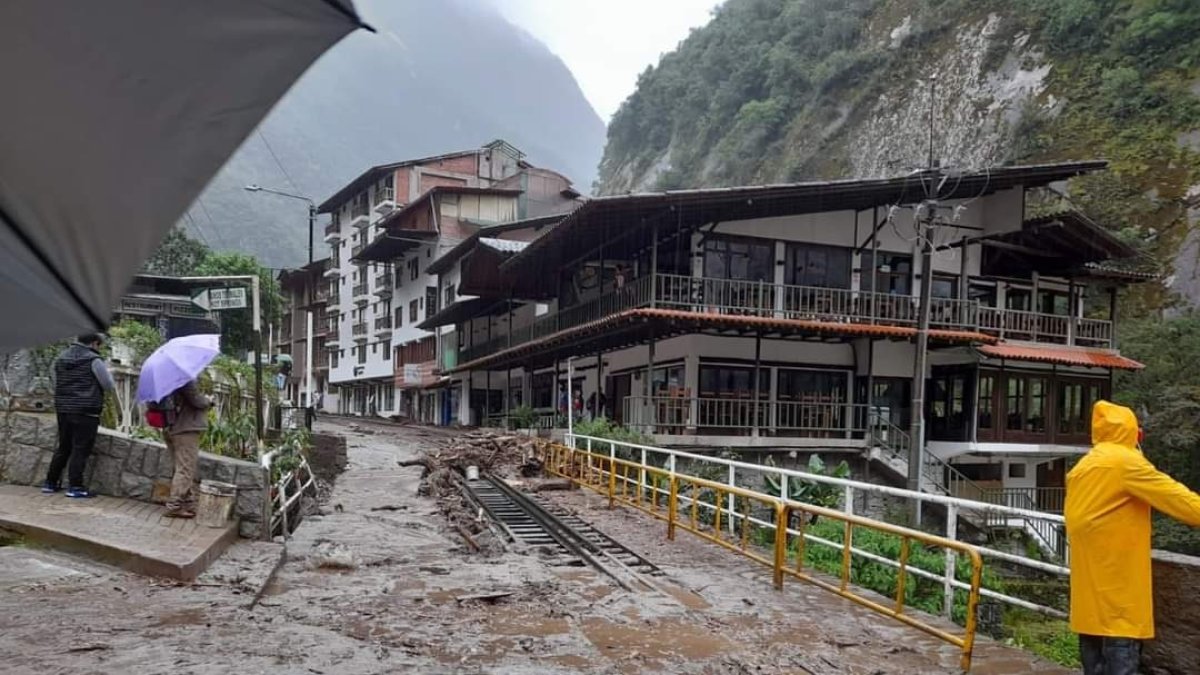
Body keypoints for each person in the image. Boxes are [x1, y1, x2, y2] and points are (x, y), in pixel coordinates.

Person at [1065, 400, 1200, 674]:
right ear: (1132, 432)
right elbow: (1180, 500)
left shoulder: (1082, 467)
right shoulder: (1126, 463)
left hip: (1089, 602)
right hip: (1119, 600)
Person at [43, 333, 114, 498]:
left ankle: (50, 483)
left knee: (64, 446)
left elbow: (54, 381)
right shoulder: (94, 360)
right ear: (95, 343)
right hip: (86, 411)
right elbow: (108, 385)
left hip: (64, 408)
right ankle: (75, 487)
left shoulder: (60, 358)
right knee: (80, 448)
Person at [163, 379, 212, 518]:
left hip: (171, 427)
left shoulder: (167, 379)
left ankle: (189, 503)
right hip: (185, 428)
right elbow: (197, 401)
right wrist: (208, 400)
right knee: (185, 469)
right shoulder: (184, 379)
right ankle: (174, 505)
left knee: (181, 468)